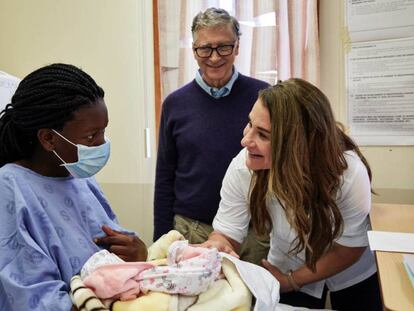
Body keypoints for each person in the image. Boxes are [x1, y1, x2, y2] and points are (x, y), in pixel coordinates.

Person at [203, 78, 382, 310]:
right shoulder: (243, 167)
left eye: (263, 135)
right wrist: (217, 245)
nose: (245, 140)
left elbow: (349, 248)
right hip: (287, 262)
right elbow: (227, 232)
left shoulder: (347, 173)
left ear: (300, 145)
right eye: (249, 124)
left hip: (350, 269)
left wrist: (293, 280)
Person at [0, 63, 147, 311]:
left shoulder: (79, 176)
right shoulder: (10, 188)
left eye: (103, 131)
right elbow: (31, 296)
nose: (101, 144)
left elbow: (113, 243)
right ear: (48, 138)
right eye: (91, 136)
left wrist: (138, 252)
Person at [153, 7, 270, 265]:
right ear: (194, 50)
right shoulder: (175, 103)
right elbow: (165, 175)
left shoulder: (265, 97)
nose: (214, 58)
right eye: (205, 49)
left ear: (237, 47)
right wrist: (161, 237)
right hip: (191, 231)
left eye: (223, 47)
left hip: (255, 232)